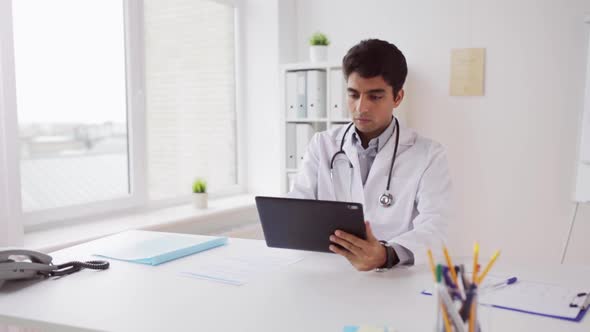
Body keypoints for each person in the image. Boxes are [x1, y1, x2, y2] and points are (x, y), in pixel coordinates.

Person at [287, 39, 452, 271]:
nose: (360, 107)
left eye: (375, 97)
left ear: (397, 97)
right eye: (353, 94)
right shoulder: (323, 144)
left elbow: (437, 228)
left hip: (394, 279)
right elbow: (298, 205)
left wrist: (386, 255)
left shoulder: (428, 154)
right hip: (330, 273)